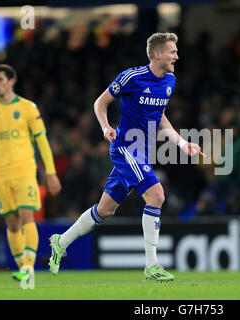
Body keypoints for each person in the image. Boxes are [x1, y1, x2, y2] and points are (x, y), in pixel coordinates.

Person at [48, 32, 204, 282]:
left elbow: (159, 116)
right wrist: (105, 127)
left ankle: (61, 241)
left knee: (104, 210)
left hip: (142, 152)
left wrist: (182, 142)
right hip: (125, 148)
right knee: (157, 195)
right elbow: (100, 103)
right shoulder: (132, 77)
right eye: (172, 51)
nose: (177, 56)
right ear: (157, 54)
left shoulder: (170, 81)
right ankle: (151, 265)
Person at [0, 64, 62, 285]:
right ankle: (24, 268)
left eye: (0, 80)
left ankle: (27, 268)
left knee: (26, 217)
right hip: (0, 174)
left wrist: (50, 173)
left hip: (24, 171)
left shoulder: (28, 108)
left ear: (11, 81)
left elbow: (42, 142)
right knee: (12, 223)